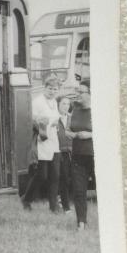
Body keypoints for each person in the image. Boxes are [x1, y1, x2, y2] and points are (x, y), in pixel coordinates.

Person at [22, 75, 61, 212]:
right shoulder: (38, 102)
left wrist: (55, 123)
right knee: (41, 175)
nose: (52, 91)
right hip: (41, 141)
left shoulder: (55, 102)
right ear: (45, 88)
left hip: (54, 141)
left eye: (55, 89)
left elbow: (55, 117)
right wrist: (41, 125)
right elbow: (31, 119)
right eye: (50, 88)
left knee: (55, 175)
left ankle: (53, 206)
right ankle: (26, 199)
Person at [66, 81, 93, 230]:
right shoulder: (74, 109)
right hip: (78, 156)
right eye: (77, 91)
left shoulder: (97, 110)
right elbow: (68, 130)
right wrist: (73, 134)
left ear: (90, 94)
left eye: (80, 91)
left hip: (95, 157)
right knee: (78, 190)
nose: (77, 94)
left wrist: (90, 134)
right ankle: (81, 223)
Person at [55, 95, 73, 214]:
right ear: (58, 105)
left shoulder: (72, 118)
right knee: (64, 178)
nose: (66, 106)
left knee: (72, 178)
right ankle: (66, 207)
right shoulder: (55, 119)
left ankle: (62, 199)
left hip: (72, 152)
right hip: (60, 152)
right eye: (63, 104)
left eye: (67, 104)